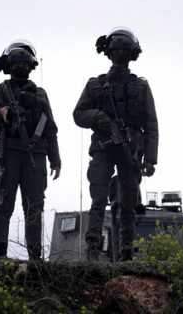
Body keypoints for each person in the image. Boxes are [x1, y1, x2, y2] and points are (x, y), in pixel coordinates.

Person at [73, 27, 158, 262]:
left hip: (130, 150)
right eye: (116, 51)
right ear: (109, 53)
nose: (120, 55)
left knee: (128, 202)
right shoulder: (95, 85)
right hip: (103, 148)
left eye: (125, 51)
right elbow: (79, 114)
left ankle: (126, 251)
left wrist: (151, 159)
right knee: (99, 199)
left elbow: (151, 124)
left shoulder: (140, 87)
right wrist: (98, 117)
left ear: (132, 54)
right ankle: (93, 248)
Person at [0, 40, 61, 260]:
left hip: (35, 155)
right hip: (7, 154)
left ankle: (35, 258)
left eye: (24, 64)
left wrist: (55, 160)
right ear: (8, 66)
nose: (20, 68)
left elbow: (50, 128)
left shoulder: (40, 94)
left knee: (34, 208)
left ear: (31, 66)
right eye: (16, 64)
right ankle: (0, 256)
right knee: (2, 205)